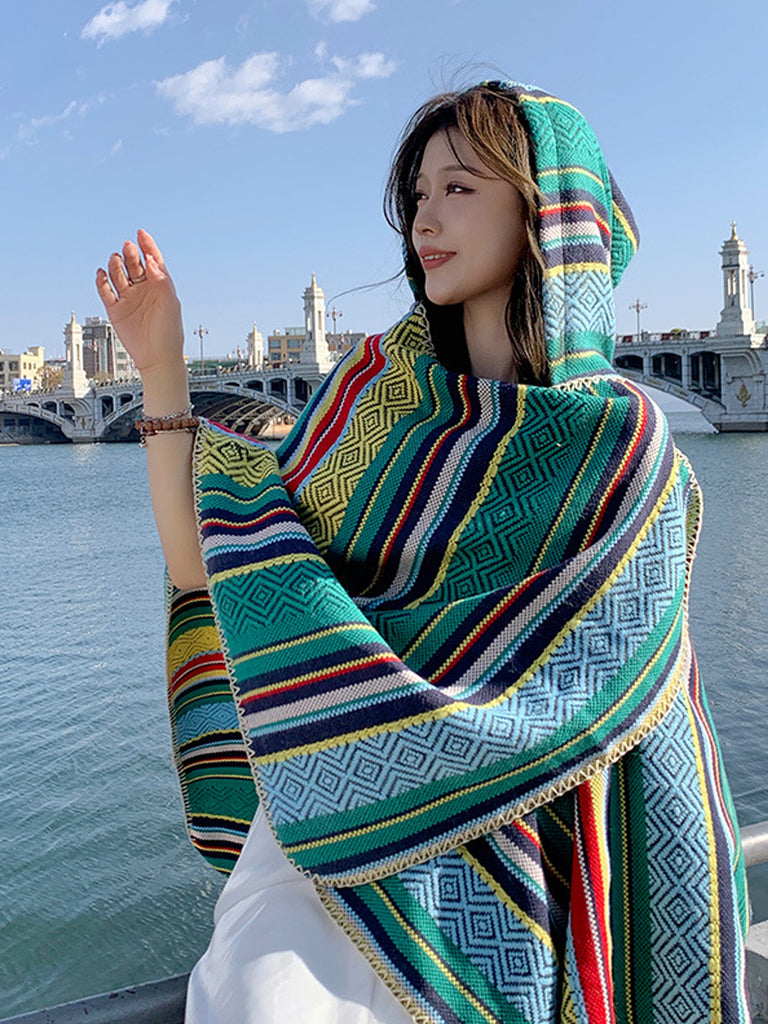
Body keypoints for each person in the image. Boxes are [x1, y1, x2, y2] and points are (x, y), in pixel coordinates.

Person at [96, 81, 751, 1024]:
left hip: (522, 849)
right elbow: (211, 562)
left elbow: (641, 714)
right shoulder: (375, 403)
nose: (425, 220)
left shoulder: (623, 449)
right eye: (417, 195)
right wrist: (161, 364)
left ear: (545, 213)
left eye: (460, 189)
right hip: (337, 833)